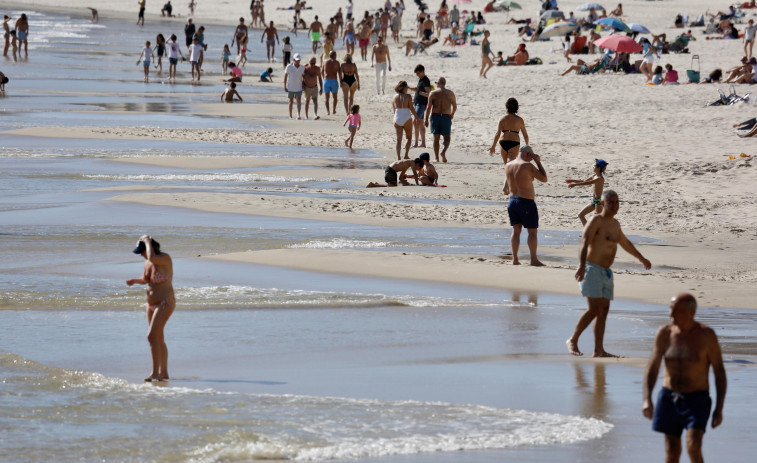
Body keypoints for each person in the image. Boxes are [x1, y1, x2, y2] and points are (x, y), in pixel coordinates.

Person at [642, 293, 727, 463]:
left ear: (691, 312)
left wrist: (719, 408)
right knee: (672, 451)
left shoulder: (706, 336)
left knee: (693, 446)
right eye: (670, 309)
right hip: (669, 398)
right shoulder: (664, 333)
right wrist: (647, 399)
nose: (670, 314)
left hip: (697, 400)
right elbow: (653, 368)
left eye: (676, 310)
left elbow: (719, 373)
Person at [566, 190, 652, 357]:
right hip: (592, 269)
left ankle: (599, 350)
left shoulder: (615, 225)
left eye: (617, 202)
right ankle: (573, 340)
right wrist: (581, 266)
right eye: (611, 202)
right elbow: (584, 242)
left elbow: (625, 243)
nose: (614, 205)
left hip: (606, 272)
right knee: (594, 309)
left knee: (603, 310)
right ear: (603, 204)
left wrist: (641, 258)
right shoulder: (596, 221)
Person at [126, 236, 175, 382]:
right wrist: (134, 281)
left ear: (150, 248)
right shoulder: (148, 261)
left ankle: (154, 373)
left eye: (143, 251)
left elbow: (153, 257)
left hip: (165, 302)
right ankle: (164, 373)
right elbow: (146, 279)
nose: (141, 254)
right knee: (157, 338)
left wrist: (147, 241)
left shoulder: (164, 258)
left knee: (151, 336)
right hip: (151, 304)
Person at [504, 145, 547, 266]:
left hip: (512, 200)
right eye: (531, 157)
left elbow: (507, 185)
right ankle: (533, 259)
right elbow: (544, 178)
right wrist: (538, 162)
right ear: (528, 154)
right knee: (532, 232)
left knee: (516, 230)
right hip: (526, 201)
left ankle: (515, 259)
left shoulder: (508, 165)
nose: (531, 160)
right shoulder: (527, 165)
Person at [489, 98, 530, 194]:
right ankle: (505, 187)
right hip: (514, 143)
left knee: (508, 166)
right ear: (517, 108)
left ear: (506, 107)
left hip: (503, 143)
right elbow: (525, 135)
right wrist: (527, 146)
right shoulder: (519, 120)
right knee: (510, 167)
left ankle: (509, 187)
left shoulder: (502, 118)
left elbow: (497, 134)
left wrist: (493, 146)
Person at [424, 76, 456, 163]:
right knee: (447, 138)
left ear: (438, 84)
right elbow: (455, 106)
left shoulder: (433, 93)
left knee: (436, 138)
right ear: (444, 84)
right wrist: (452, 114)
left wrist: (426, 119)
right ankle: (443, 152)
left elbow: (429, 108)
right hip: (446, 116)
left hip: (435, 116)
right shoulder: (450, 93)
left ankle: (437, 157)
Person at [566, 159, 607, 225]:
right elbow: (584, 181)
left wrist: (574, 185)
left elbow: (587, 183)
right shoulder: (594, 176)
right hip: (594, 200)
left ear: (599, 168)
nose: (593, 167)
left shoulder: (600, 178)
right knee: (581, 215)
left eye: (594, 166)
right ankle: (587, 232)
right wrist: (572, 180)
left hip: (599, 201)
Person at [392, 81, 419, 160]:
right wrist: (416, 117)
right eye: (406, 87)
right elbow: (411, 108)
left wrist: (397, 117)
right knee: (409, 138)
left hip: (397, 117)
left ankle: (398, 157)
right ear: (404, 88)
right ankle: (406, 155)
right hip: (406, 117)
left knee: (398, 139)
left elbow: (394, 109)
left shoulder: (394, 97)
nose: (407, 89)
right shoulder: (408, 96)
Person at [410, 64, 431, 148]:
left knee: (416, 122)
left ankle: (416, 143)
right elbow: (419, 91)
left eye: (418, 73)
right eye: (416, 74)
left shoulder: (426, 80)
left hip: (422, 104)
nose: (417, 75)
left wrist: (417, 91)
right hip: (418, 104)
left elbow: (428, 94)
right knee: (420, 123)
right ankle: (422, 143)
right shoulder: (421, 79)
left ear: (422, 71)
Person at [284, 53, 305, 119]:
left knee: (299, 100)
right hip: (290, 87)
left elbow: (303, 77)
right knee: (291, 101)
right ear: (293, 60)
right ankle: (290, 115)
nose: (298, 61)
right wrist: (285, 86)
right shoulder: (289, 67)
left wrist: (303, 85)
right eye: (296, 60)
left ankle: (298, 114)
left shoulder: (302, 67)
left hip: (299, 87)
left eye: (299, 60)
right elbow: (285, 76)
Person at [321, 50, 340, 115]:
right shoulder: (337, 62)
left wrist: (324, 78)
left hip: (326, 80)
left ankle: (328, 111)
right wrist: (341, 81)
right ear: (335, 55)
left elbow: (322, 71)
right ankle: (334, 110)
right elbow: (339, 73)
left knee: (326, 97)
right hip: (334, 81)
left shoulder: (325, 62)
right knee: (335, 97)